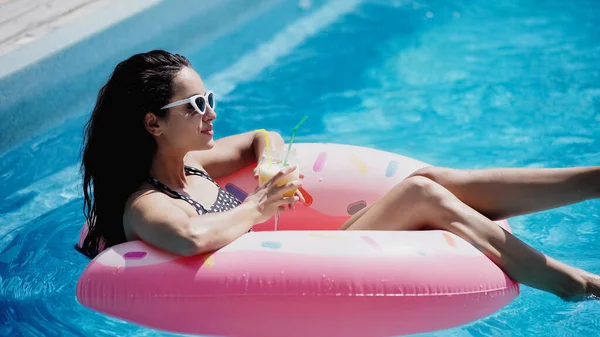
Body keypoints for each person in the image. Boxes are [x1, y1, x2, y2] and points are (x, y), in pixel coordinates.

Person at [78, 50, 599, 301]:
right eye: (196, 104)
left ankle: (594, 178)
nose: (211, 112)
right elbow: (189, 237)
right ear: (153, 124)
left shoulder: (190, 164)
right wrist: (261, 205)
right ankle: (566, 281)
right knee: (422, 193)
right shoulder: (145, 202)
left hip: (303, 258)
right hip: (291, 284)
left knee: (436, 179)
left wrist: (274, 167)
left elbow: (261, 135)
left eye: (210, 99)